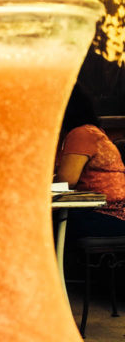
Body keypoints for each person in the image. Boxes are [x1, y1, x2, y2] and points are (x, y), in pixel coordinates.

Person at [55, 82, 125, 238]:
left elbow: (66, 182)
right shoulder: (91, 132)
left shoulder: (81, 134)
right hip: (107, 213)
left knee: (40, 224)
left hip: (106, 214)